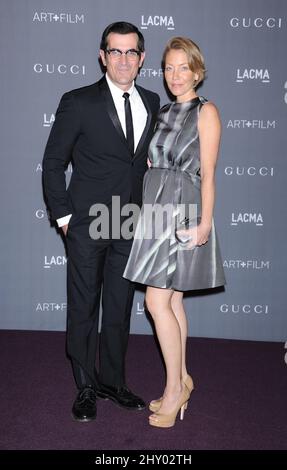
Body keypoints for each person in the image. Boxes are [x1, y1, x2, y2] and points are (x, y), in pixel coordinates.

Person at [43, 21, 160, 422]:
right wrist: (63, 217)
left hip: (130, 218)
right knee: (83, 307)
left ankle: (112, 381)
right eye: (116, 51)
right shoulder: (78, 101)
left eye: (131, 52)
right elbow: (54, 164)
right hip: (87, 222)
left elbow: (140, 162)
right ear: (102, 56)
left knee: (118, 306)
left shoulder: (151, 98)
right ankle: (86, 387)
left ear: (142, 59)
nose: (124, 59)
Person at [123, 37, 226, 428]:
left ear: (197, 70)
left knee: (155, 303)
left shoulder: (207, 112)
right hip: (157, 208)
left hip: (183, 210)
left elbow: (209, 175)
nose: (175, 75)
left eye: (183, 67)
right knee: (173, 302)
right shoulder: (163, 111)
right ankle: (182, 378)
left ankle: (173, 391)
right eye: (168, 68)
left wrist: (204, 223)